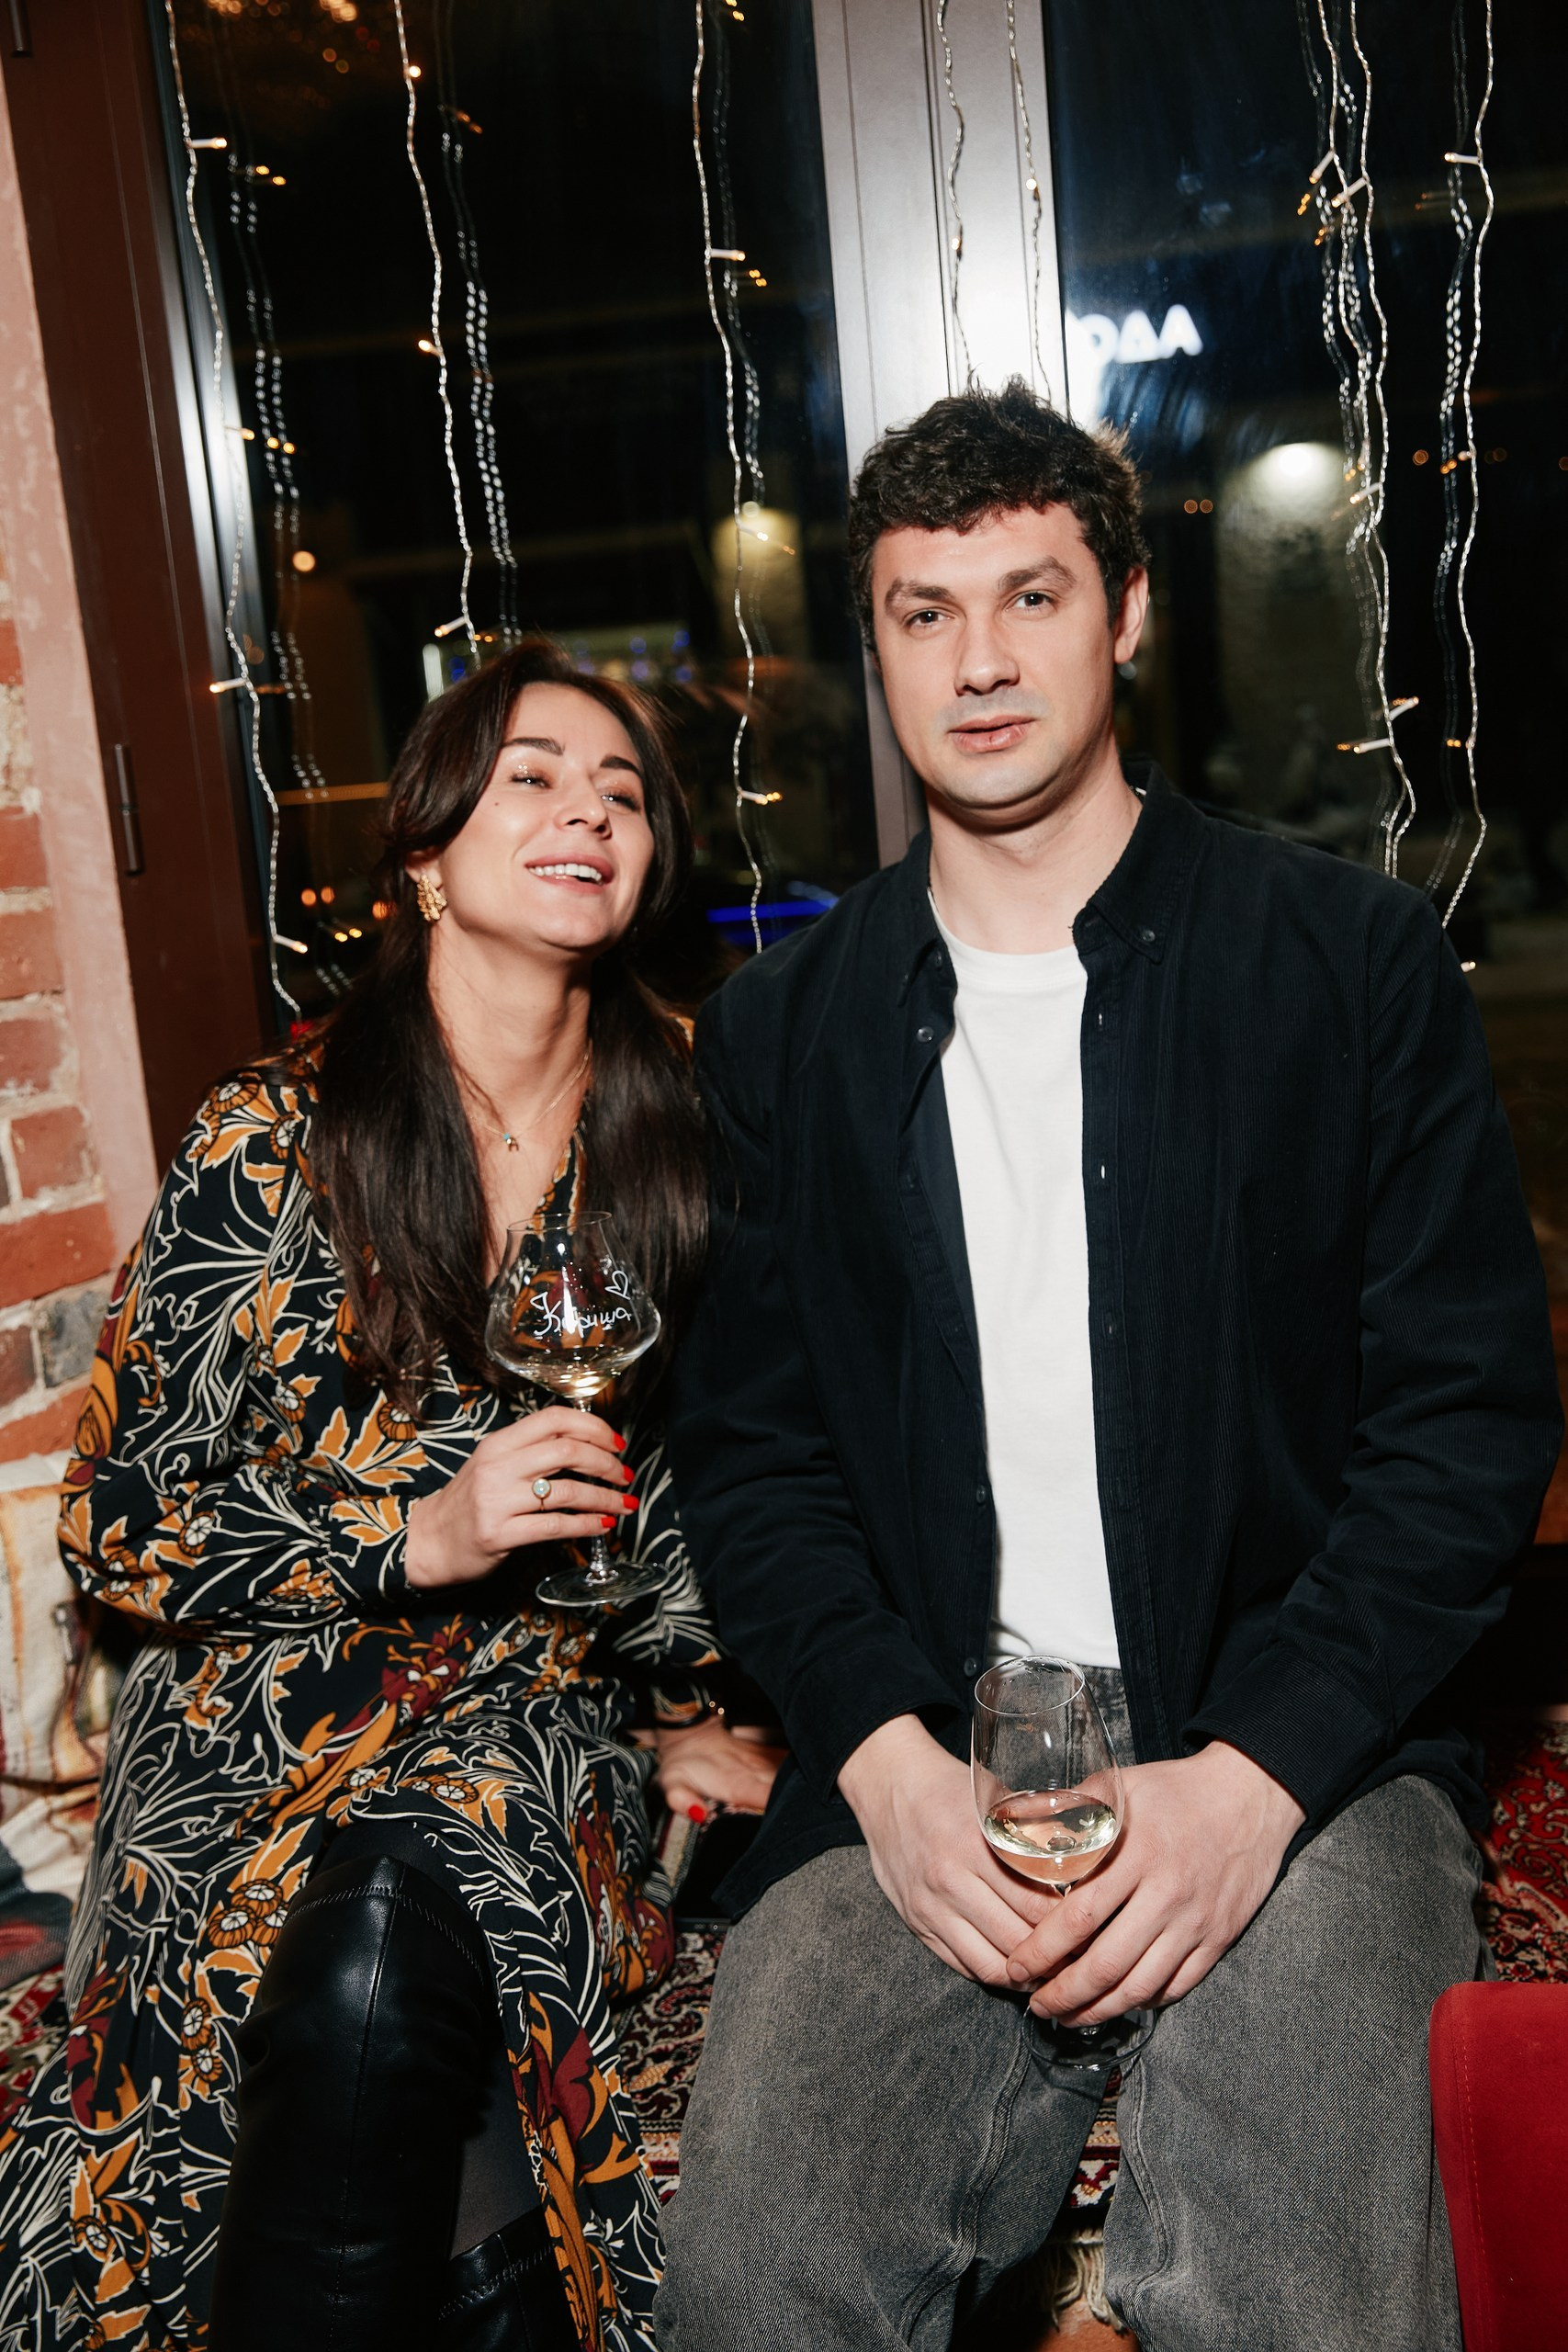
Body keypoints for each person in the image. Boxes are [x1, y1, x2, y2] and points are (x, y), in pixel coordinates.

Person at [654, 381, 1562, 2351]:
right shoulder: (781, 1036)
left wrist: (1251, 1783)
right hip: (933, 1756)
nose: (978, 660)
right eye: (924, 611)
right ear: (876, 647)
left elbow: (1464, 1428)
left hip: (1295, 1741)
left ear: (1126, 612)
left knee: (1289, 2295)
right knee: (753, 2279)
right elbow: (753, 1457)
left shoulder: (1345, 963)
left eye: (1031, 596)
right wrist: (885, 1770)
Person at [0, 642, 775, 2352]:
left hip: (528, 1721)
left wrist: (693, 1708)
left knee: (409, 1898)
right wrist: (416, 1532)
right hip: (258, 1728)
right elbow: (119, 1521)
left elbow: (717, 1489)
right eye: (531, 779)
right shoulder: (272, 1137)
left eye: (623, 793)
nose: (588, 811)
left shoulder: (689, 1138)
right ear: (426, 855)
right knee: (360, 1973)